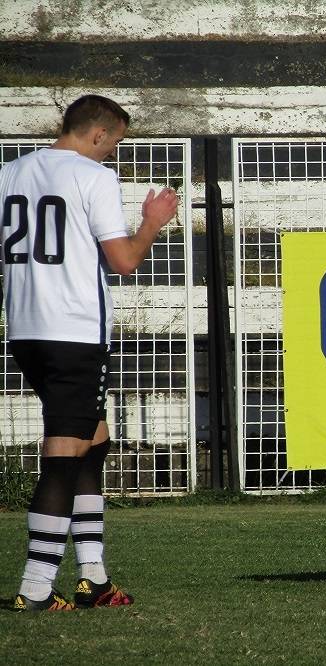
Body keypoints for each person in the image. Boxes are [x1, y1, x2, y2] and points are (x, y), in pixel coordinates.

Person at [1, 94, 178, 611]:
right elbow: (123, 261)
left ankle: (93, 579)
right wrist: (153, 221)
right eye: (114, 143)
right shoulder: (93, 176)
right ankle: (36, 587)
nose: (113, 153)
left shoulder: (10, 173)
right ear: (98, 134)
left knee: (93, 440)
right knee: (64, 454)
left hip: (27, 328)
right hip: (74, 331)